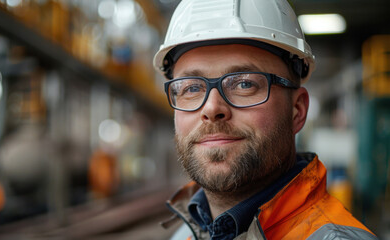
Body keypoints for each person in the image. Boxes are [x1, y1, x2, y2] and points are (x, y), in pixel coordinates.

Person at [152, 0, 378, 239]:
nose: (211, 108)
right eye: (190, 88)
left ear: (297, 110)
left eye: (244, 84)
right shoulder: (186, 235)